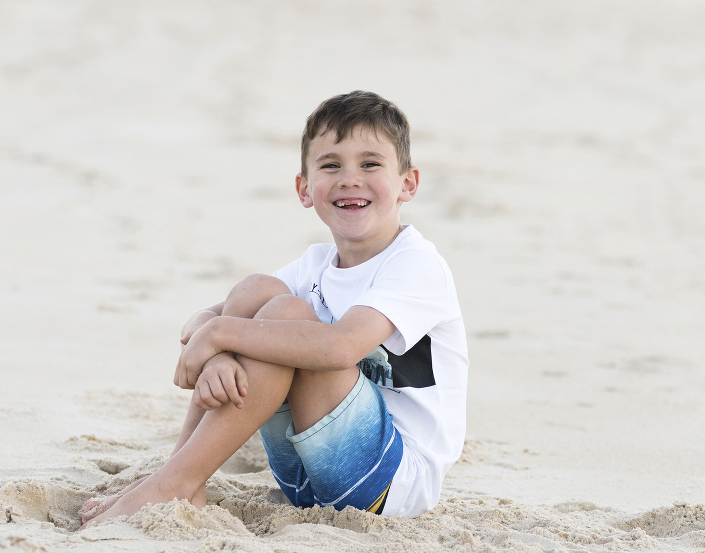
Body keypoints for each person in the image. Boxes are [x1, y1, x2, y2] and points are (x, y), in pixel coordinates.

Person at [80, 90, 468, 526]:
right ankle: (184, 476)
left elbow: (339, 348)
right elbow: (209, 318)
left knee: (285, 317)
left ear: (408, 184)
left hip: (387, 482)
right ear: (304, 188)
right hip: (301, 478)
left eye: (371, 164)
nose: (350, 178)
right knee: (255, 291)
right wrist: (219, 353)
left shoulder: (416, 264)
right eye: (331, 165)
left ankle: (175, 483)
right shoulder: (316, 265)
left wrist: (221, 335)